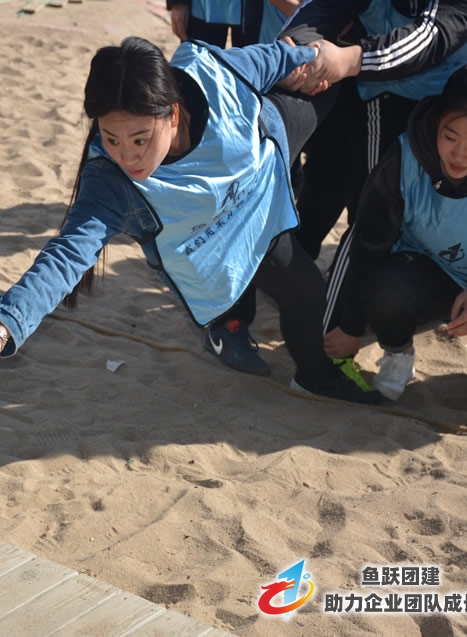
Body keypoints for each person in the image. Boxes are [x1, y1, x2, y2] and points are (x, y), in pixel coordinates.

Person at [0, 36, 382, 405]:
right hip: (219, 241)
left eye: (140, 139)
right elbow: (65, 256)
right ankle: (285, 360)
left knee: (331, 81)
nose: (127, 156)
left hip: (263, 170)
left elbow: (276, 57)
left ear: (173, 113)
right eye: (111, 138)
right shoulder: (111, 183)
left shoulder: (213, 74)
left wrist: (323, 56)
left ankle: (307, 364)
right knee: (305, 289)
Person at [323, 61, 467, 400]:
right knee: (388, 293)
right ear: (436, 121)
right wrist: (351, 324)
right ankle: (398, 352)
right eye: (450, 137)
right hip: (421, 270)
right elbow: (367, 244)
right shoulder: (404, 158)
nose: (460, 154)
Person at [278, 0, 467, 262]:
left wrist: (350, 59)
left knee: (448, 198)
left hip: (463, 103)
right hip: (386, 91)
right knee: (371, 198)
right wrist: (298, 48)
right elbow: (325, 6)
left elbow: (433, 34)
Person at [165, 0, 304, 376]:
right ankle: (229, 324)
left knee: (280, 178)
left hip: (288, 49)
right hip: (235, 34)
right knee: (225, 185)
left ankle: (271, 291)